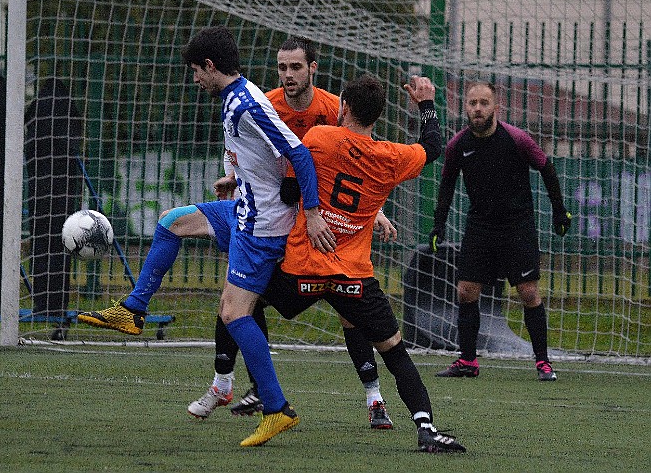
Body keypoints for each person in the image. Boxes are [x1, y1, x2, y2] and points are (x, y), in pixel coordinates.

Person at [78, 26, 336, 447]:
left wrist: (313, 214)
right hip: (244, 207)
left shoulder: (247, 104)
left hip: (262, 224)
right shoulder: (235, 97)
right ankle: (134, 310)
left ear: (211, 67)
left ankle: (276, 408)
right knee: (171, 220)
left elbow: (300, 154)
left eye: (196, 71)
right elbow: (264, 157)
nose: (194, 79)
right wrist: (235, 178)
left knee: (234, 313)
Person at [188, 36, 396, 430]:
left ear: (313, 69)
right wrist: (234, 179)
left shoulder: (334, 108)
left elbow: (356, 163)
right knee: (241, 301)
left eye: (296, 67)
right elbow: (244, 155)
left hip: (326, 224)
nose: (288, 75)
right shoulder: (264, 103)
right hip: (283, 227)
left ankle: (374, 398)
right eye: (282, 67)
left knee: (351, 314)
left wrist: (377, 210)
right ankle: (237, 385)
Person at [260, 73, 466, 453]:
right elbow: (433, 146)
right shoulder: (391, 157)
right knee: (394, 350)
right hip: (352, 276)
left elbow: (290, 192)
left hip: (304, 267)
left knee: (243, 305)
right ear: (378, 116)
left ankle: (259, 391)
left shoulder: (319, 138)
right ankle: (426, 429)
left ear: (343, 106)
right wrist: (425, 104)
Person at [428, 80, 571, 381]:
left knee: (529, 293)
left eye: (484, 103)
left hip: (517, 226)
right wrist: (438, 225)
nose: (477, 108)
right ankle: (468, 361)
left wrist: (559, 210)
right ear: (465, 107)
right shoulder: (457, 145)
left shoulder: (517, 139)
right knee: (466, 291)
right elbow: (446, 186)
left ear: (496, 107)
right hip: (480, 226)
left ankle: (543, 362)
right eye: (472, 103)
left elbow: (546, 167)